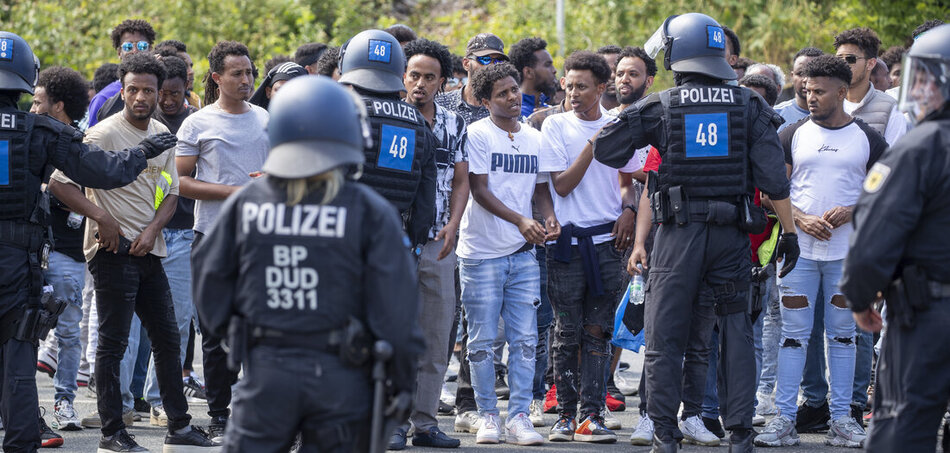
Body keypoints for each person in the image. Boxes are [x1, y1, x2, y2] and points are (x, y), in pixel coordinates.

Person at [592, 13, 800, 452]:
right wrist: (793, 234)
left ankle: (665, 435)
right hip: (732, 239)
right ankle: (741, 434)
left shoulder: (662, 105)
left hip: (677, 237)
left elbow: (608, 149)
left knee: (665, 337)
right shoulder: (750, 104)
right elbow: (775, 181)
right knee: (736, 334)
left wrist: (636, 113)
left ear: (676, 54)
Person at [192, 74, 425, 453]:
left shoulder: (247, 204)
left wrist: (236, 338)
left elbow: (209, 282)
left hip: (266, 373)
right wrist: (400, 383)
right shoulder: (368, 210)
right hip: (344, 380)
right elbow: (397, 310)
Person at [0, 31, 175, 453]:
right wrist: (144, 150)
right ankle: (21, 442)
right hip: (14, 261)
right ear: (28, 75)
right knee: (18, 353)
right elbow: (103, 171)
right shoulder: (40, 130)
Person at [48, 51, 218, 453]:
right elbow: (59, 184)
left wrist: (154, 229)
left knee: (168, 340)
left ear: (160, 93)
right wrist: (101, 219)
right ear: (122, 91)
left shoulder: (160, 133)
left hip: (150, 251)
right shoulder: (102, 134)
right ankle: (112, 433)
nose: (141, 97)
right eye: (133, 90)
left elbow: (172, 193)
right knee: (113, 343)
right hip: (109, 253)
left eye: (149, 90)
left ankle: (179, 424)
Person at [753, 54, 886, 449]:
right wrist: (799, 217)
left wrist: (854, 209)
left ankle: (843, 420)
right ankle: (784, 420)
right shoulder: (790, 135)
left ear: (843, 92)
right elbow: (765, 196)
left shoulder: (869, 139)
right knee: (792, 336)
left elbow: (888, 196)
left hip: (848, 256)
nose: (810, 97)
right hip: (798, 254)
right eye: (806, 90)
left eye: (819, 91)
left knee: (844, 336)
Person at [839, 23, 950, 453]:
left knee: (903, 424)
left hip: (930, 314)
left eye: (925, 76)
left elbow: (875, 233)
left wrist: (860, 297)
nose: (916, 87)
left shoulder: (921, 147)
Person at [457, 62, 558, 446]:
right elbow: (479, 190)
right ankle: (487, 416)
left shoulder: (533, 136)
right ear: (485, 101)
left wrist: (548, 218)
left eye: (515, 89)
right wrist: (521, 220)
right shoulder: (477, 134)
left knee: (525, 339)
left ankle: (518, 417)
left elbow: (542, 187)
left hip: (522, 254)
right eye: (502, 93)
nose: (513, 97)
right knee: (481, 341)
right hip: (481, 253)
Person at [175, 40, 268, 442]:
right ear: (217, 78)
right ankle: (219, 414)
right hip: (213, 237)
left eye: (249, 72)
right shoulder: (198, 123)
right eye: (237, 73)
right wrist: (234, 192)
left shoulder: (266, 119)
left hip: (263, 238)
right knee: (215, 334)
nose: (246, 80)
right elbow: (179, 182)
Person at [540, 50, 634, 444]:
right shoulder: (556, 126)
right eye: (568, 84)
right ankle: (564, 415)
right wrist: (595, 143)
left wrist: (628, 208)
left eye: (582, 86)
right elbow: (560, 185)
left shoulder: (620, 124)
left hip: (608, 243)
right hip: (567, 245)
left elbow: (630, 178)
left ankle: (589, 416)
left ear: (602, 87)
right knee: (566, 330)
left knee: (599, 331)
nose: (573, 92)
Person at [393, 37, 467, 450]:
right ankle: (393, 423)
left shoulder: (455, 123)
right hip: (397, 242)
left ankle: (425, 423)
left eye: (430, 77)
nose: (421, 83)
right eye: (414, 75)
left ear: (444, 82)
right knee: (397, 337)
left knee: (436, 337)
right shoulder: (392, 119)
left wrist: (454, 224)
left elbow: (461, 179)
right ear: (403, 77)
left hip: (439, 242)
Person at [29, 65, 92, 437]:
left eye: (38, 102)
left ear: (58, 105)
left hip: (67, 253)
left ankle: (63, 400)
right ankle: (19, 405)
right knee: (21, 332)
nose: (32, 108)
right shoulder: (28, 137)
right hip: (30, 251)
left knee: (69, 333)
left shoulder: (80, 144)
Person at [338, 29, 437, 249]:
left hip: (342, 239)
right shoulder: (420, 125)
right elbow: (425, 202)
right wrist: (414, 245)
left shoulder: (342, 116)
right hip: (390, 242)